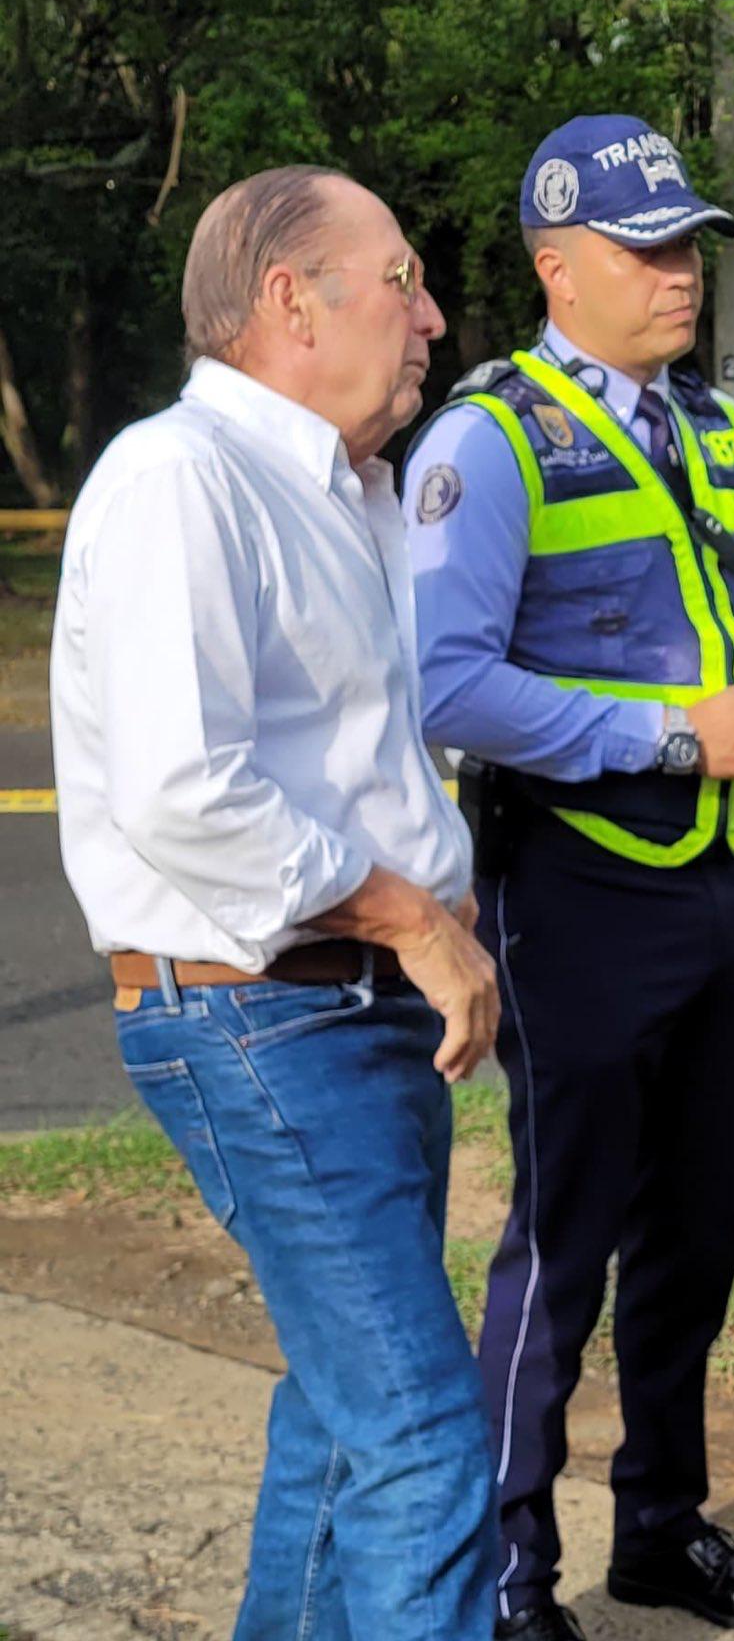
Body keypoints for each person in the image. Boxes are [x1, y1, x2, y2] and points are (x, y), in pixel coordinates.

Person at [49, 165, 502, 1640]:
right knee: (425, 1436)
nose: (431, 316)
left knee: (341, 1421)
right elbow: (187, 790)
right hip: (261, 1017)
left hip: (346, 1016)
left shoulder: (344, 489)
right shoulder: (181, 477)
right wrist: (413, 918)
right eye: (402, 280)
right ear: (289, 301)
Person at [405, 115, 734, 1641]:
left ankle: (661, 1531)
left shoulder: (716, 429)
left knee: (695, 1237)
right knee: (561, 1248)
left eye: (687, 247)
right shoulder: (486, 441)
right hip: (571, 893)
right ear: (554, 269)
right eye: (646, 251)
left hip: (718, 896)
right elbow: (444, 685)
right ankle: (512, 1581)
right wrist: (670, 737)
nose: (678, 278)